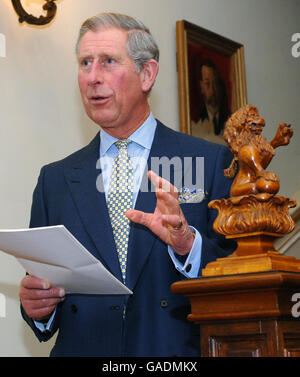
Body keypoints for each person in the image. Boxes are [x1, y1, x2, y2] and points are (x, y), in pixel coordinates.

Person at [19, 12, 235, 357]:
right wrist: (37, 306)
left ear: (147, 74)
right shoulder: (54, 180)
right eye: (85, 63)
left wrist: (186, 245)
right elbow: (43, 300)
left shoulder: (209, 162)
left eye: (108, 62)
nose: (92, 77)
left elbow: (239, 276)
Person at [191, 59, 229, 144]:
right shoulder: (195, 124)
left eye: (215, 83)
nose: (212, 90)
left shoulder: (229, 122)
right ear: (201, 86)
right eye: (207, 84)